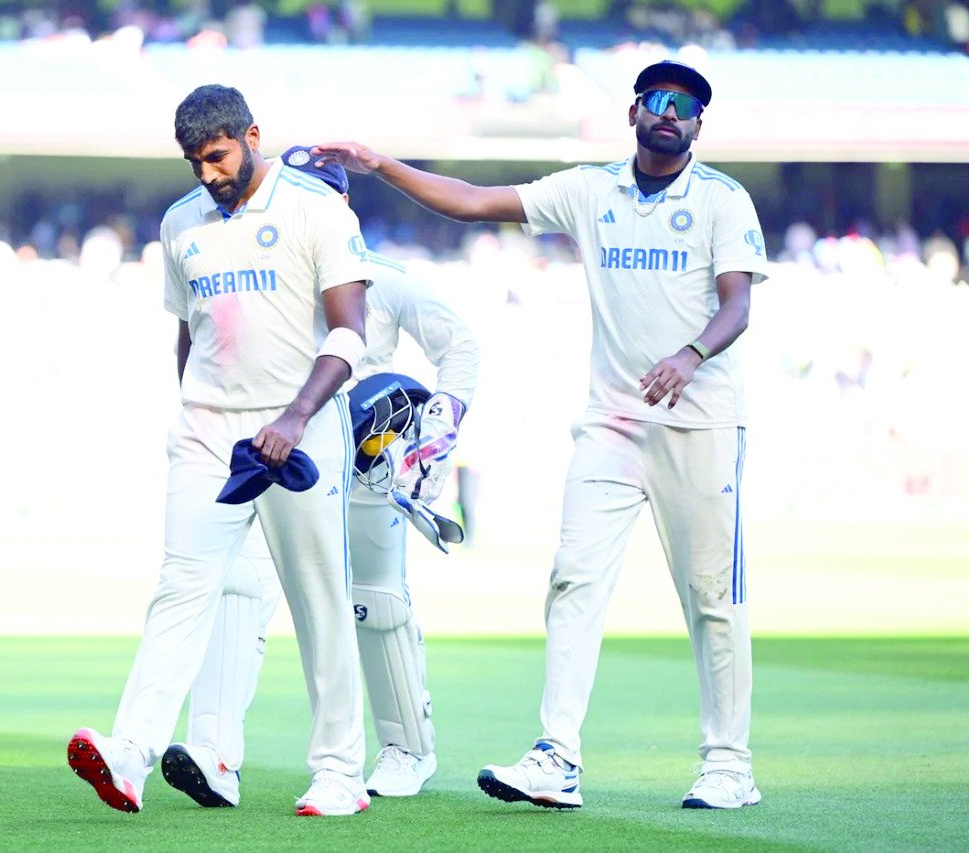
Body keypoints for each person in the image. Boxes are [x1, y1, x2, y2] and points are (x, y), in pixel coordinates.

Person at [314, 58, 769, 810]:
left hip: (703, 421)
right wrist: (379, 163)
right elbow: (468, 201)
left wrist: (690, 356)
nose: (670, 112)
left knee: (712, 595)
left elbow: (737, 306)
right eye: (657, 99)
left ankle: (729, 763)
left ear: (697, 126)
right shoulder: (592, 189)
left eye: (686, 106)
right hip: (613, 423)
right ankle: (557, 755)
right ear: (633, 114)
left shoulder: (723, 200)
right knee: (573, 582)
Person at [67, 85, 375, 817]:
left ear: (251, 136)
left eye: (217, 155)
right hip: (210, 434)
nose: (207, 174)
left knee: (318, 599)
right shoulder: (181, 223)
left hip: (302, 428)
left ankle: (339, 772)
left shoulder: (316, 207)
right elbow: (189, 329)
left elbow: (350, 332)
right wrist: (196, 411)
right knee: (182, 584)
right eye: (193, 162)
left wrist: (296, 416)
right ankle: (130, 753)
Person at [155, 147, 479, 809]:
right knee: (240, 581)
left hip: (370, 455)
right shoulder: (248, 263)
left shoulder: (380, 276)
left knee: (373, 600)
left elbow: (460, 347)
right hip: (277, 449)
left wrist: (436, 433)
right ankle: (216, 753)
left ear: (341, 202)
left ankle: (404, 749)